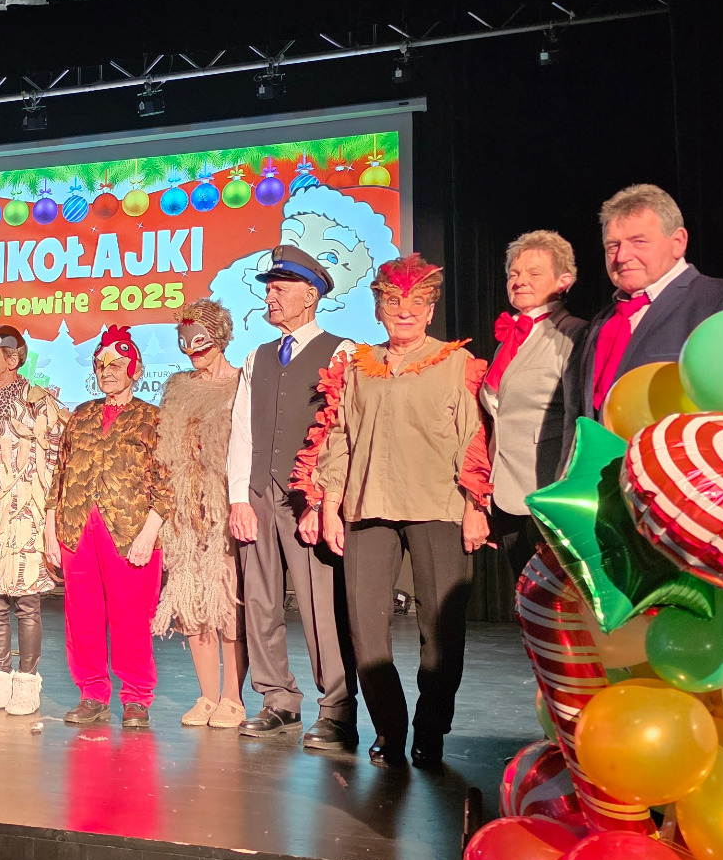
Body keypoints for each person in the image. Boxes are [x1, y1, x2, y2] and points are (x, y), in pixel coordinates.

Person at [308, 255, 491, 769]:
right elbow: (339, 438)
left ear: (431, 310)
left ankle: (430, 730)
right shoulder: (359, 367)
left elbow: (474, 437)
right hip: (367, 506)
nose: (404, 311)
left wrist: (476, 505)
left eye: (416, 303)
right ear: (378, 309)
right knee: (365, 627)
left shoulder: (454, 363)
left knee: (441, 629)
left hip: (439, 505)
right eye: (392, 302)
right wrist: (329, 505)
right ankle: (389, 729)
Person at [225, 247, 360, 750]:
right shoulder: (256, 357)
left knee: (321, 605)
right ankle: (277, 700)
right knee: (260, 602)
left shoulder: (342, 352)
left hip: (308, 498)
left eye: (280, 289)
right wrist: (240, 497)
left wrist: (324, 501)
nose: (270, 297)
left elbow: (343, 431)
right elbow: (242, 430)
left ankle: (337, 707)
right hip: (260, 492)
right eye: (268, 289)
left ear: (310, 295)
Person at [561, 183, 723, 458]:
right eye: (612, 246)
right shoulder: (600, 322)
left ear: (678, 242)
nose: (622, 256)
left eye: (639, 242)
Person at [50, 326, 173, 728]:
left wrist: (149, 532)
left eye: (118, 364)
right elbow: (59, 476)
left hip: (130, 531)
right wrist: (52, 532)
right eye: (102, 364)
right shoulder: (80, 415)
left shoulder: (153, 419)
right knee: (82, 617)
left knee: (131, 618)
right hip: (78, 529)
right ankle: (92, 693)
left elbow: (168, 481)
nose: (108, 371)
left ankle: (136, 696)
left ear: (135, 370)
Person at [0, 324, 66, 717]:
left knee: (27, 603)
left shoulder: (39, 403)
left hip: (24, 514)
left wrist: (50, 518)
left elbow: (55, 462)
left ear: (13, 359)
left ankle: (27, 682)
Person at [150, 300, 246, 729]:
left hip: (225, 508)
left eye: (200, 341)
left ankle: (233, 698)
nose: (193, 351)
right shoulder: (177, 386)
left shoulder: (242, 383)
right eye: (185, 343)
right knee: (191, 603)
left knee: (227, 604)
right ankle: (207, 696)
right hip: (185, 512)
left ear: (220, 337)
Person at [481, 232, 588, 610]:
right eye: (514, 273)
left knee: (560, 609)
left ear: (564, 280)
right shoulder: (509, 339)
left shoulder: (573, 333)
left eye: (533, 273)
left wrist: (563, 492)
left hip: (546, 490)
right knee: (528, 607)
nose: (520, 280)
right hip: (505, 491)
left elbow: (578, 417)